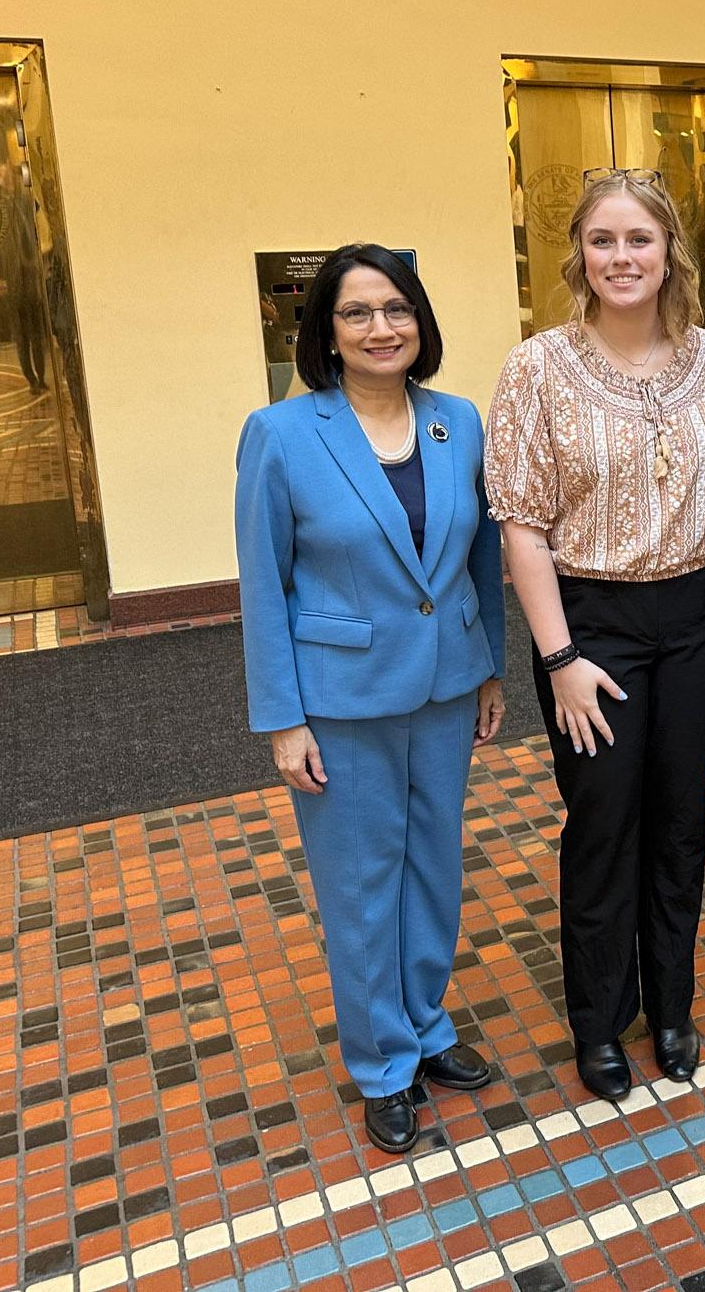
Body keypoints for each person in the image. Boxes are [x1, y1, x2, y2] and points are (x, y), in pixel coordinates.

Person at [233, 244, 507, 1155]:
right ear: (326, 330)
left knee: (432, 867)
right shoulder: (281, 433)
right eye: (357, 312)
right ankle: (384, 1062)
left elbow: (479, 559)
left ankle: (424, 1024)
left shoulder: (457, 421)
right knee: (360, 886)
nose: (381, 328)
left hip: (445, 686)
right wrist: (282, 718)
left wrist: (490, 667)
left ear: (420, 319)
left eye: (397, 308)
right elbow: (264, 585)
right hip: (340, 700)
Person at [483, 172, 705, 1102]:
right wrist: (559, 659)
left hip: (698, 614)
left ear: (670, 251)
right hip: (590, 623)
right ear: (579, 256)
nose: (621, 257)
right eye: (602, 241)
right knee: (602, 821)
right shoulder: (537, 367)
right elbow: (521, 526)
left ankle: (671, 1006)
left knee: (680, 820)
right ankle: (599, 1018)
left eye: (639, 239)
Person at [0, 163, 51, 394]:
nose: (4, 179)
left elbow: (42, 232)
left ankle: (41, 375)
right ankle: (31, 379)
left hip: (30, 273)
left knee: (37, 332)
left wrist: (38, 256)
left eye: (6, 174)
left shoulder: (27, 200)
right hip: (13, 277)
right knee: (21, 333)